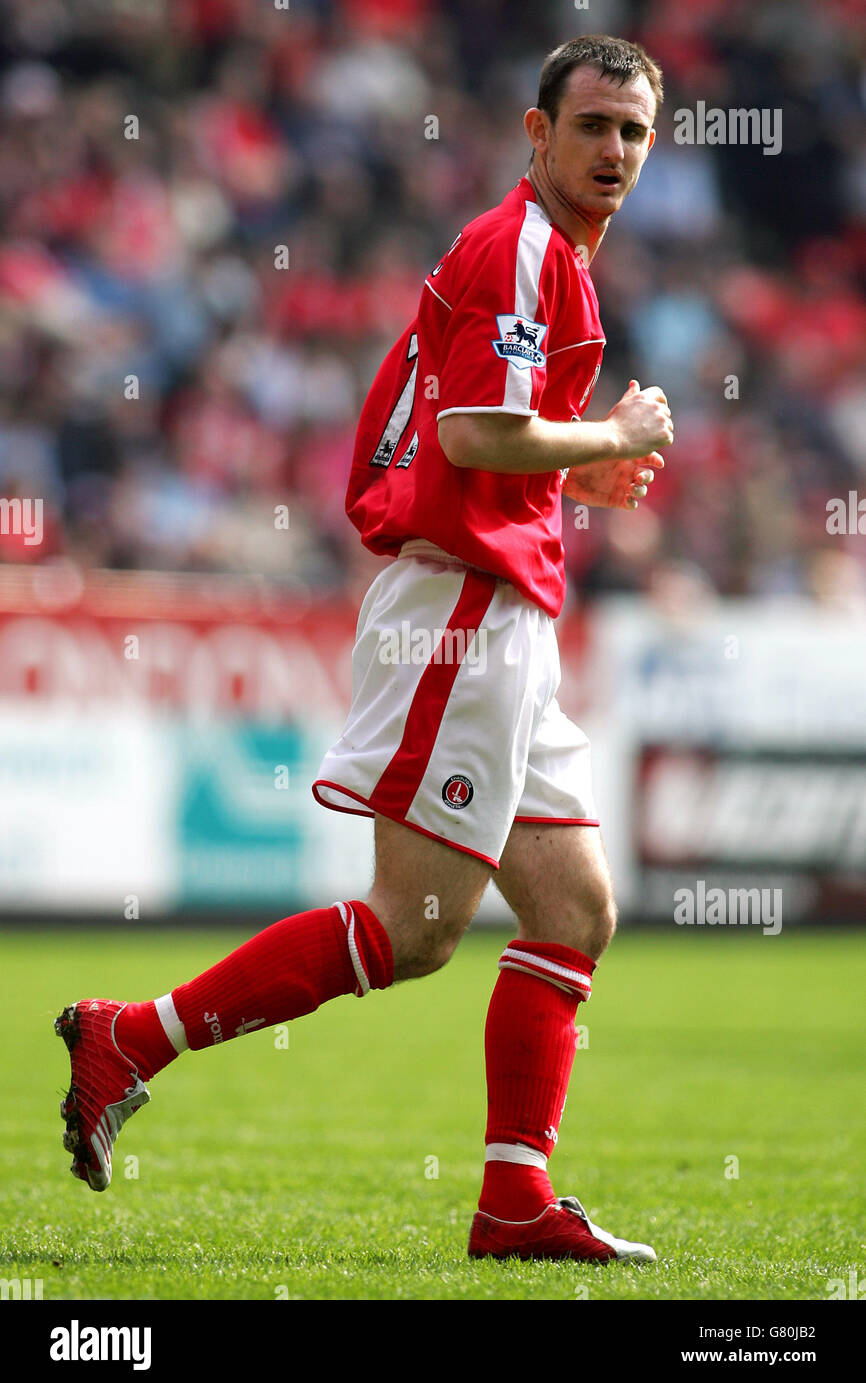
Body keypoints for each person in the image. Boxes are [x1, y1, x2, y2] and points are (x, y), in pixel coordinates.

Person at [55, 34, 673, 1264]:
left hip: (502, 611)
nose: (613, 150)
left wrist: (578, 472)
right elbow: (478, 435)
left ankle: (510, 1200)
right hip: (460, 612)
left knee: (573, 911)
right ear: (533, 132)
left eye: (634, 133)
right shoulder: (521, 250)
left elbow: (494, 442)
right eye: (592, 124)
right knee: (416, 926)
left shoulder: (548, 257)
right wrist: (599, 430)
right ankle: (133, 1035)